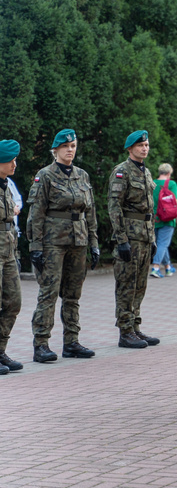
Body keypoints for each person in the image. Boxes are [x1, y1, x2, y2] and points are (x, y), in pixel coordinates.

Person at [26, 128, 99, 363]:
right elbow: (36, 213)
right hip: (53, 242)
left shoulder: (82, 175)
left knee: (73, 294)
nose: (70, 150)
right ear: (55, 150)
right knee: (48, 293)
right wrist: (35, 246)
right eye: (65, 146)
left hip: (79, 240)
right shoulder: (45, 175)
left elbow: (90, 213)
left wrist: (94, 243)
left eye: (73, 146)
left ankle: (72, 342)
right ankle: (41, 344)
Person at [108, 130, 160, 349]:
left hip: (145, 235)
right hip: (130, 236)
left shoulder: (146, 172)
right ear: (130, 149)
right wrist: (121, 240)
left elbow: (149, 208)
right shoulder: (122, 172)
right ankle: (125, 331)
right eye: (140, 145)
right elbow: (114, 207)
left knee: (140, 284)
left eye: (146, 145)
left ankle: (135, 327)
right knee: (126, 284)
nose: (145, 148)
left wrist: (152, 238)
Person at [0, 139, 23, 374]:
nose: (14, 165)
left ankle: (1, 350)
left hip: (8, 250)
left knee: (13, 302)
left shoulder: (7, 186)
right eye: (10, 160)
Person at [151, 163, 177, 278]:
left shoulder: (153, 183)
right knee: (163, 244)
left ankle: (168, 267)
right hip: (168, 217)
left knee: (161, 243)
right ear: (169, 173)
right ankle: (155, 268)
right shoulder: (171, 184)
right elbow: (175, 201)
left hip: (155, 218)